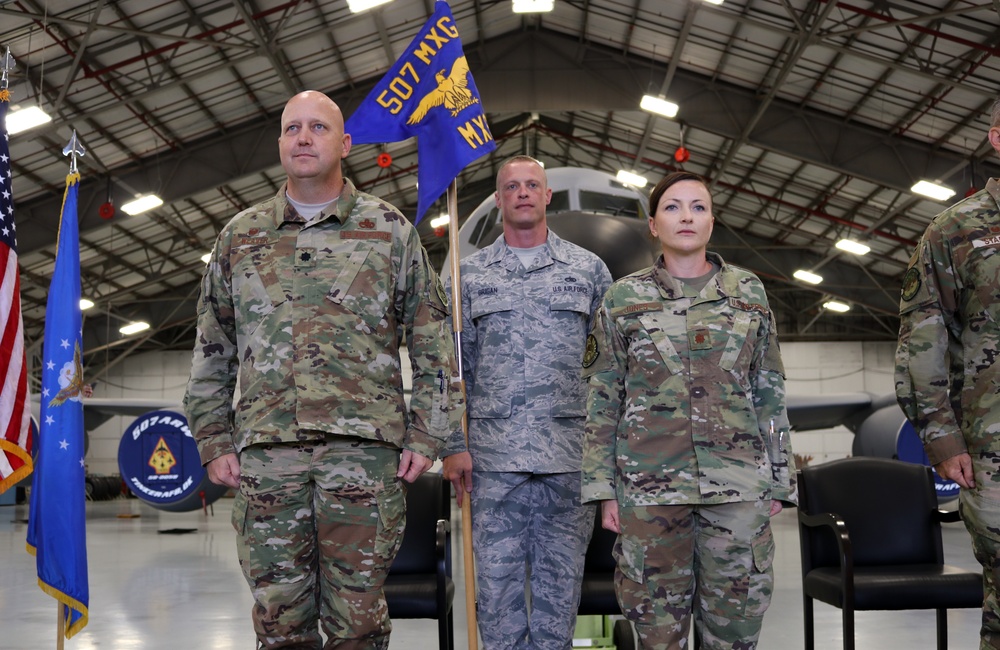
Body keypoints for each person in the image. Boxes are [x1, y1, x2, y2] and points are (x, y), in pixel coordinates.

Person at [183, 90, 459, 649]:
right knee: (279, 622)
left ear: (345, 143)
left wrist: (428, 435)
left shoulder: (390, 231)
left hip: (361, 455)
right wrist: (213, 440)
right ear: (280, 143)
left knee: (357, 624)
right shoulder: (240, 237)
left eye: (318, 128)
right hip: (267, 457)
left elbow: (434, 346)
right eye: (292, 129)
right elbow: (213, 349)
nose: (303, 138)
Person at [581, 171, 796, 649]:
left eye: (698, 207)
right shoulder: (622, 299)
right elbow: (602, 397)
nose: (686, 217)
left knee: (735, 630)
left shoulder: (750, 294)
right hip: (650, 491)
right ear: (653, 225)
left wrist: (780, 480)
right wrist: (603, 489)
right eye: (673, 207)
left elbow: (769, 391)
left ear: (712, 222)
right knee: (658, 633)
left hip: (738, 490)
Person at [442, 155, 612, 649]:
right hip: (493, 464)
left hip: (568, 463)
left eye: (531, 184)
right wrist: (454, 444)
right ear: (498, 198)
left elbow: (606, 372)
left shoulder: (588, 271)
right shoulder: (467, 278)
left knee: (559, 605)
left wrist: (604, 461)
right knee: (496, 605)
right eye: (511, 186)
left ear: (546, 196)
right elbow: (452, 371)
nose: (522, 193)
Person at [895, 97, 1000, 649]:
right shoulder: (955, 230)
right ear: (997, 138)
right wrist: (940, 435)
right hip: (992, 445)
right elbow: (924, 338)